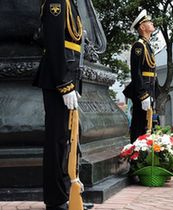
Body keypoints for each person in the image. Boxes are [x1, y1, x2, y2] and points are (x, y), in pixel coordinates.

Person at [33, 0, 85, 209]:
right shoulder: (56, 2)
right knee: (56, 140)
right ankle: (55, 200)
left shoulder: (69, 3)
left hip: (69, 75)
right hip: (59, 79)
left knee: (66, 139)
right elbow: (54, 43)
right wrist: (64, 83)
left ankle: (68, 195)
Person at [123, 9, 159, 143]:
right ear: (142, 27)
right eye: (148, 22)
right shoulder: (139, 46)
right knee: (139, 124)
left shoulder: (147, 45)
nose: (152, 23)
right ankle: (135, 155)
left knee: (148, 124)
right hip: (142, 90)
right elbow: (136, 72)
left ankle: (144, 154)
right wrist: (143, 94)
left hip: (149, 88)